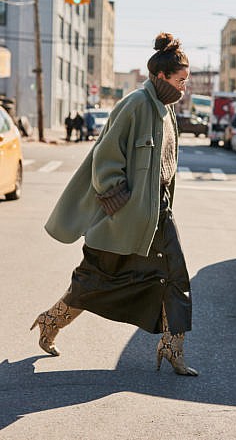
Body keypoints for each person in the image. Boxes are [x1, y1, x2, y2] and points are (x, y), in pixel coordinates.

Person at [31, 32, 198, 376]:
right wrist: (116, 197)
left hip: (158, 213)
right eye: (180, 80)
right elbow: (106, 155)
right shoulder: (136, 104)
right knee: (96, 280)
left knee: (174, 277)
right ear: (160, 76)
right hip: (124, 213)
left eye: (186, 80)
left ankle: (172, 346)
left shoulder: (167, 112)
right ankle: (51, 320)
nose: (184, 87)